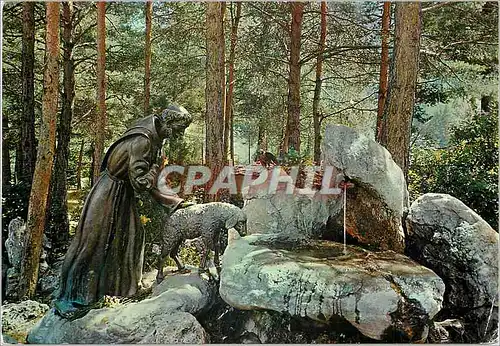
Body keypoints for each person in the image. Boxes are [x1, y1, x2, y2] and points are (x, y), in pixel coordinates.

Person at [54, 105, 192, 318]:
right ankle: (70, 299)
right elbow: (140, 182)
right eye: (179, 129)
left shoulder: (153, 138)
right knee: (92, 243)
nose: (179, 134)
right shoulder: (144, 140)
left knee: (133, 237)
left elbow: (151, 183)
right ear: (168, 123)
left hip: (121, 193)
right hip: (109, 193)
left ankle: (120, 291)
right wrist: (156, 167)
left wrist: (175, 202)